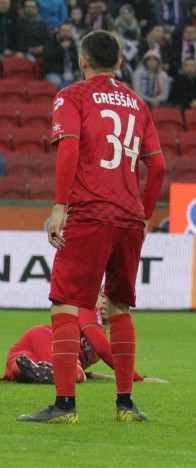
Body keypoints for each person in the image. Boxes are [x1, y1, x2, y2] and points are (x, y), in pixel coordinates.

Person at [17, 30, 166, 424]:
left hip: (89, 213)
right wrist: (145, 215)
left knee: (65, 304)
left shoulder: (72, 95)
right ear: (119, 62)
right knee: (118, 307)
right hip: (130, 218)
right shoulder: (138, 104)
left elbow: (68, 147)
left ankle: (65, 405)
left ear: (83, 60)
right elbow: (159, 167)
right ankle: (126, 405)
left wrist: (59, 207)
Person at [3, 291, 167, 385]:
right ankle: (38, 370)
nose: (104, 302)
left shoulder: (99, 333)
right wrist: (137, 378)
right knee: (74, 373)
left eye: (109, 299)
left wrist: (100, 376)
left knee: (17, 367)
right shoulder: (87, 311)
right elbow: (103, 348)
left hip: (27, 351)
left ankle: (26, 370)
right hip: (46, 337)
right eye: (102, 296)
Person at [43, 22, 79, 89]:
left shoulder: (73, 43)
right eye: (63, 31)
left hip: (71, 74)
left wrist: (77, 70)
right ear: (58, 32)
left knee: (82, 82)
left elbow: (76, 59)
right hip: (54, 73)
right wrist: (61, 48)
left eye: (68, 31)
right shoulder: (50, 41)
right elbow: (47, 56)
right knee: (57, 83)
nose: (66, 34)